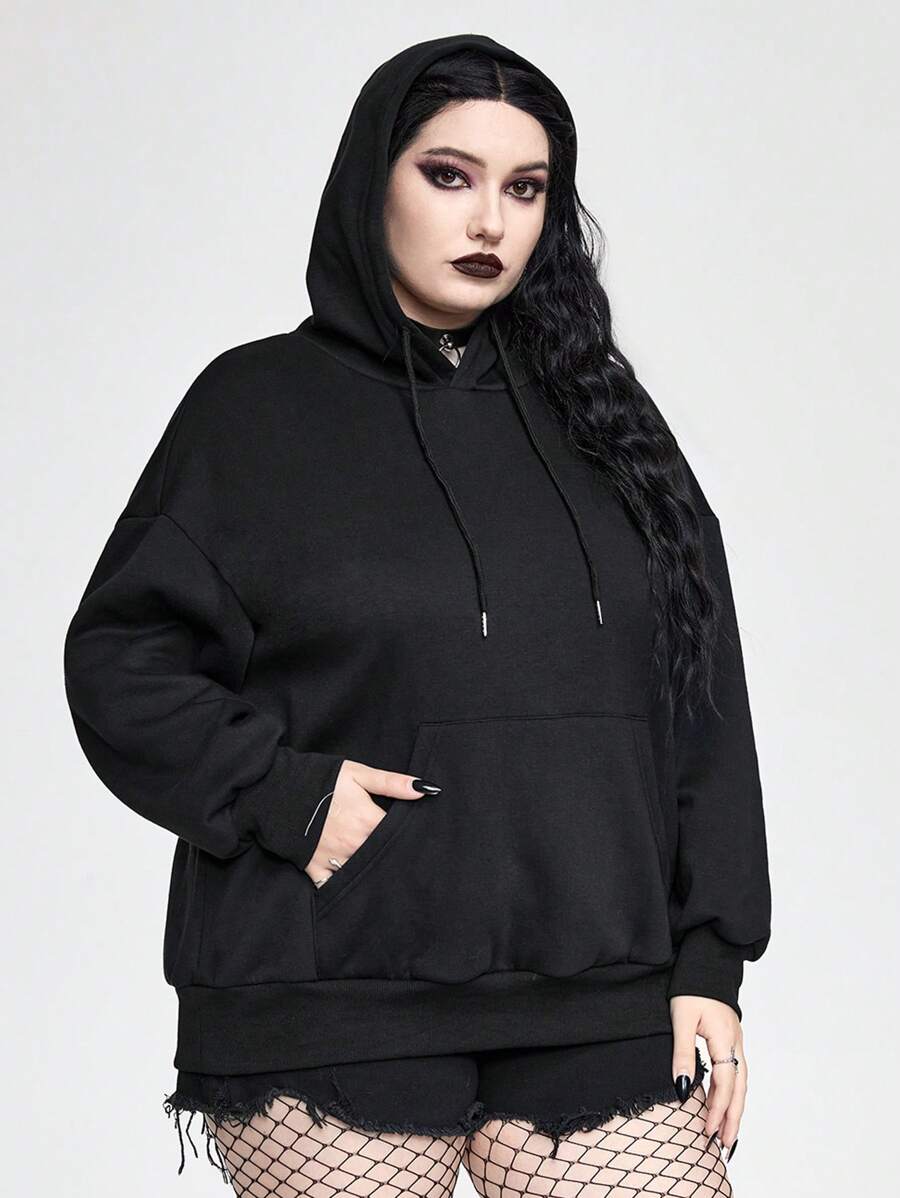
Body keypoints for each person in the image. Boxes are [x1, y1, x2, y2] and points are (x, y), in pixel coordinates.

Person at [62, 32, 771, 1196]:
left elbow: (700, 698)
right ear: (372, 182)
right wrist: (285, 794)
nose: (489, 220)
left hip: (598, 986)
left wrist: (710, 959)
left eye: (525, 189)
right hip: (329, 991)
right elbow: (121, 660)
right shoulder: (255, 409)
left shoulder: (605, 418)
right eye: (449, 175)